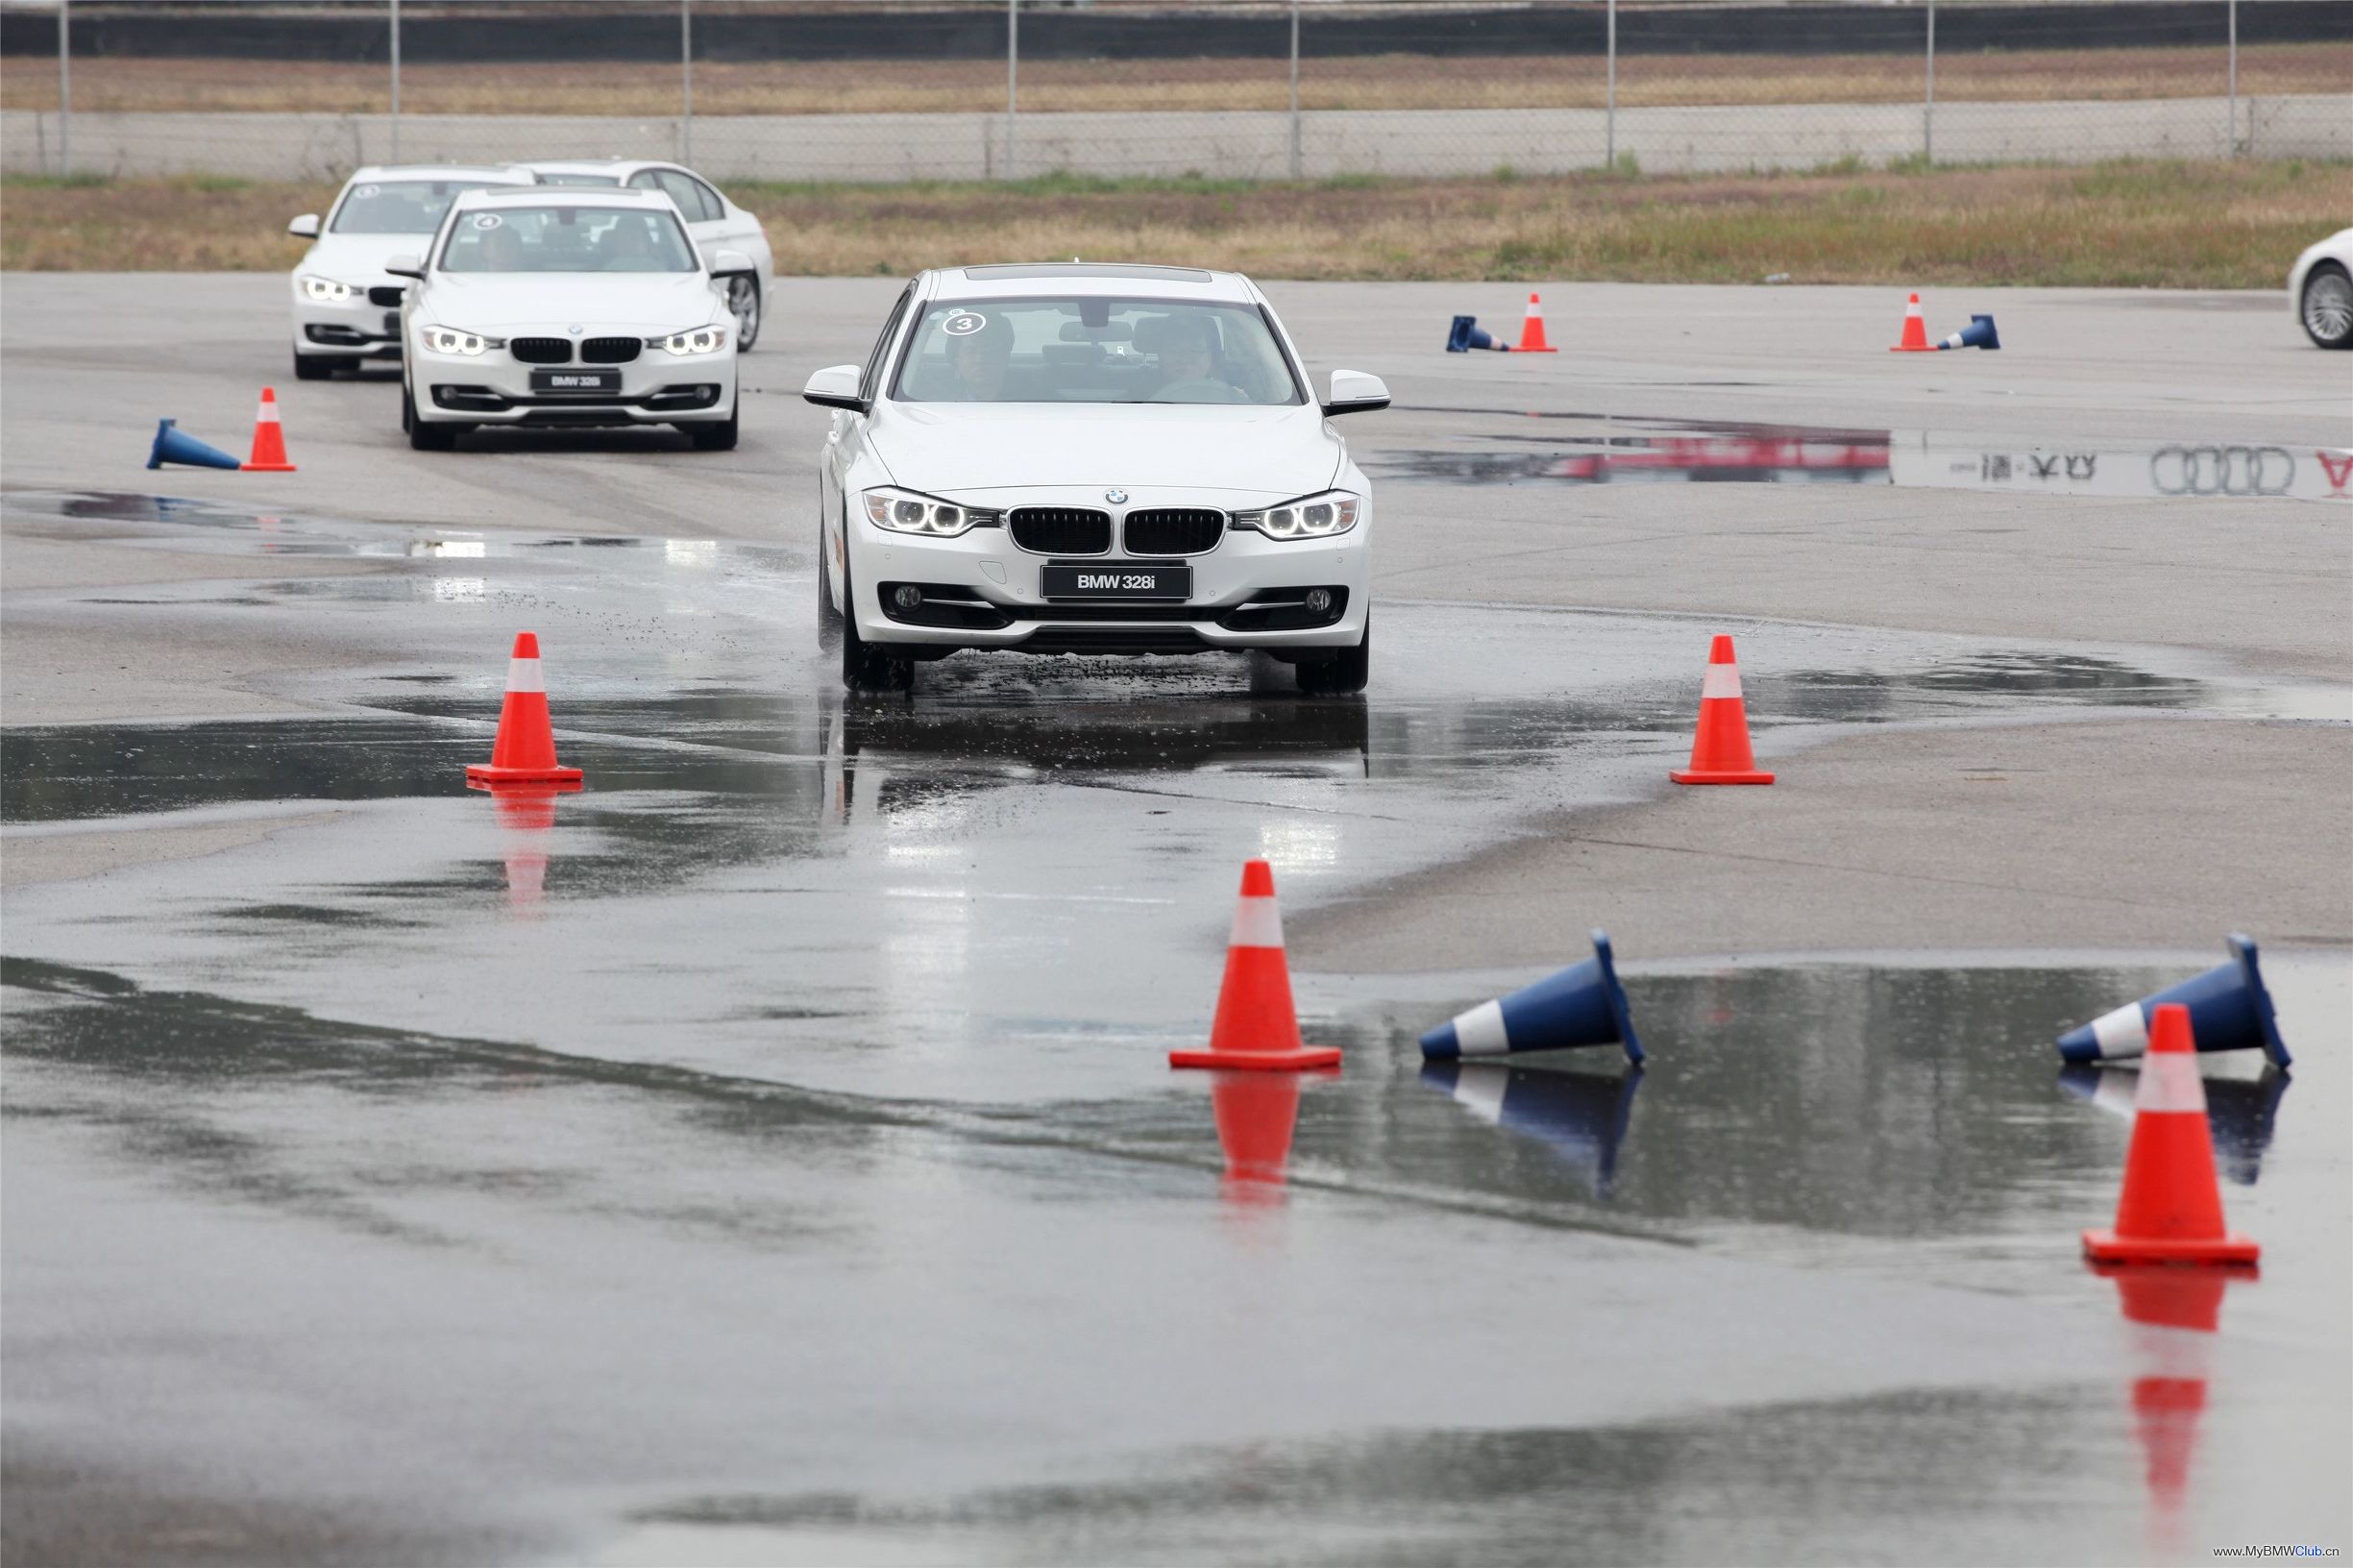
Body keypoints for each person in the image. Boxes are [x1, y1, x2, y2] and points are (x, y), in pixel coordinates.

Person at [1151, 315, 1243, 402]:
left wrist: (1240, 399)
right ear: (1160, 356)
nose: (1185, 358)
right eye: (1175, 350)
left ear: (1209, 358)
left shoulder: (1232, 399)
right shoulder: (1139, 392)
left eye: (1195, 350)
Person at [942, 314, 1015, 401]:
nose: (979, 360)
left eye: (987, 352)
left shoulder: (1031, 398)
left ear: (1005, 357)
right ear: (957, 361)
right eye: (971, 352)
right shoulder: (936, 402)